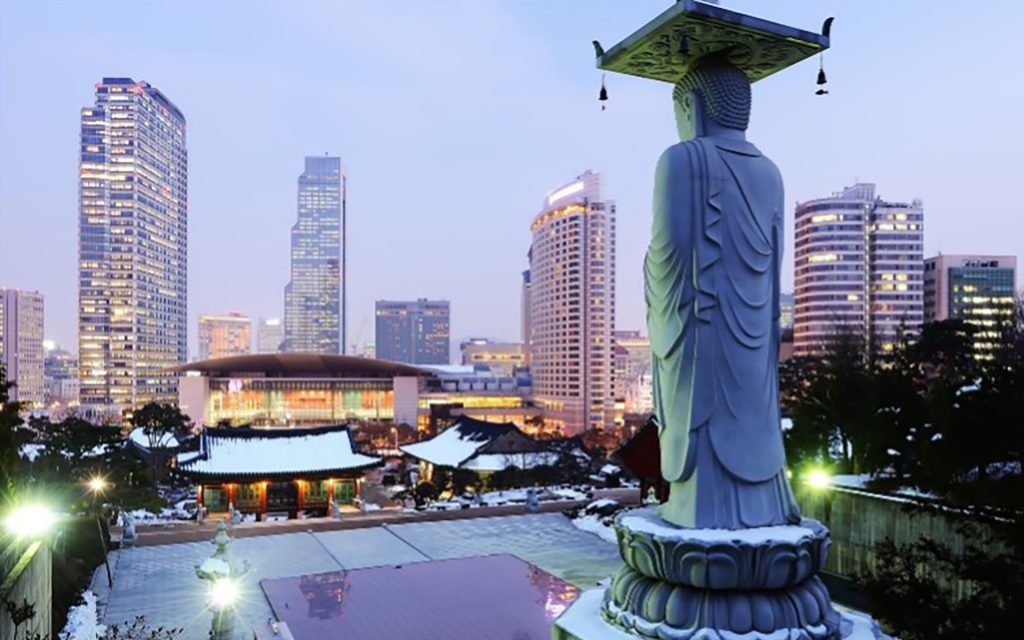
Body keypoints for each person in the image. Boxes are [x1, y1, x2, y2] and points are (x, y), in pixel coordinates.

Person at [647, 56, 800, 529]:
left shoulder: (681, 159)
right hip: (754, 339)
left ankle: (700, 507)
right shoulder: (771, 172)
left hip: (702, 335)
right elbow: (771, 274)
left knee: (701, 416)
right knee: (751, 410)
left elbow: (667, 255)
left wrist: (648, 273)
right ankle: (762, 507)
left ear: (691, 106)